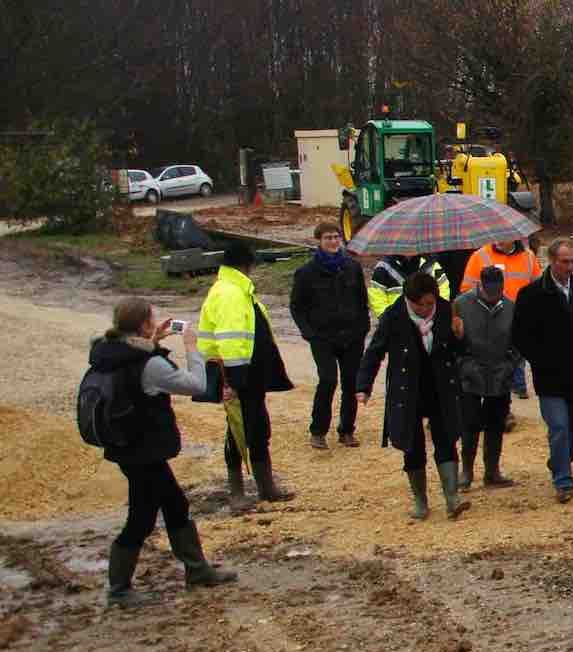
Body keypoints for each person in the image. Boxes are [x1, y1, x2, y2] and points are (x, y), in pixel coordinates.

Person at [88, 298, 237, 606]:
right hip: (143, 449)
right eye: (151, 321)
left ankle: (197, 570)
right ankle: (119, 590)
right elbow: (195, 384)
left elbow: (133, 366)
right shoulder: (149, 363)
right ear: (143, 324)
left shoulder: (110, 351)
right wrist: (192, 347)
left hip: (127, 445)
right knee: (141, 518)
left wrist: (152, 342)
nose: (154, 324)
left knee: (175, 504)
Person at [356, 270, 471, 521]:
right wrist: (363, 386)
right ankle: (420, 501)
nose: (426, 309)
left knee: (446, 439)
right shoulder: (394, 316)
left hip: (441, 387)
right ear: (409, 300)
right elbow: (374, 352)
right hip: (408, 390)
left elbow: (459, 351)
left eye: (430, 303)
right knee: (412, 445)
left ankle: (452, 498)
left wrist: (460, 335)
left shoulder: (445, 310)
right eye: (420, 305)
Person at [197, 239, 295, 502]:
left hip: (247, 374)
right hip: (238, 375)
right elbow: (229, 339)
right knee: (240, 430)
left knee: (257, 428)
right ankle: (239, 493)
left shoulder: (236, 289)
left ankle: (265, 488)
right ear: (246, 265)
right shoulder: (230, 293)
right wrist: (234, 379)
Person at [511, 238, 573, 503]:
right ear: (551, 261)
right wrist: (541, 358)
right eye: (565, 262)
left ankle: (559, 459)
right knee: (559, 427)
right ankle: (563, 479)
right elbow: (520, 336)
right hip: (550, 375)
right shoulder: (531, 294)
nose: (570, 267)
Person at [289, 222, 370, 450]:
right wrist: (309, 333)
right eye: (328, 238)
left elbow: (362, 301)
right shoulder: (306, 273)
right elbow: (296, 306)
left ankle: (346, 430)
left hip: (352, 336)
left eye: (336, 237)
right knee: (327, 380)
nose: (333, 241)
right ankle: (318, 431)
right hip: (322, 337)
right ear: (319, 241)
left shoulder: (352, 267)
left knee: (351, 383)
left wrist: (362, 328)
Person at [454, 265, 519, 489]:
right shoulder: (461, 305)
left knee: (496, 424)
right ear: (479, 285)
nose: (493, 297)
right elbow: (452, 342)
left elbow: (518, 343)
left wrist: (510, 365)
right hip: (471, 374)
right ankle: (467, 471)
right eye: (489, 292)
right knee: (469, 425)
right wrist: (463, 363)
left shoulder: (510, 307)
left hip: (499, 375)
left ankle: (492, 471)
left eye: (498, 292)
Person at [464, 235, 541, 404]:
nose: (498, 238)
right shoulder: (480, 256)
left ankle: (516, 386)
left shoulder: (528, 257)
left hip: (519, 316)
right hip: (489, 317)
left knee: (516, 353)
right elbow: (467, 289)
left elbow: (537, 286)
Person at [367, 254, 449, 322]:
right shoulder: (384, 267)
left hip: (427, 320)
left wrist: (436, 314)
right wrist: (386, 318)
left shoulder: (431, 265)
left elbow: (443, 290)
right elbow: (376, 295)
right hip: (396, 320)